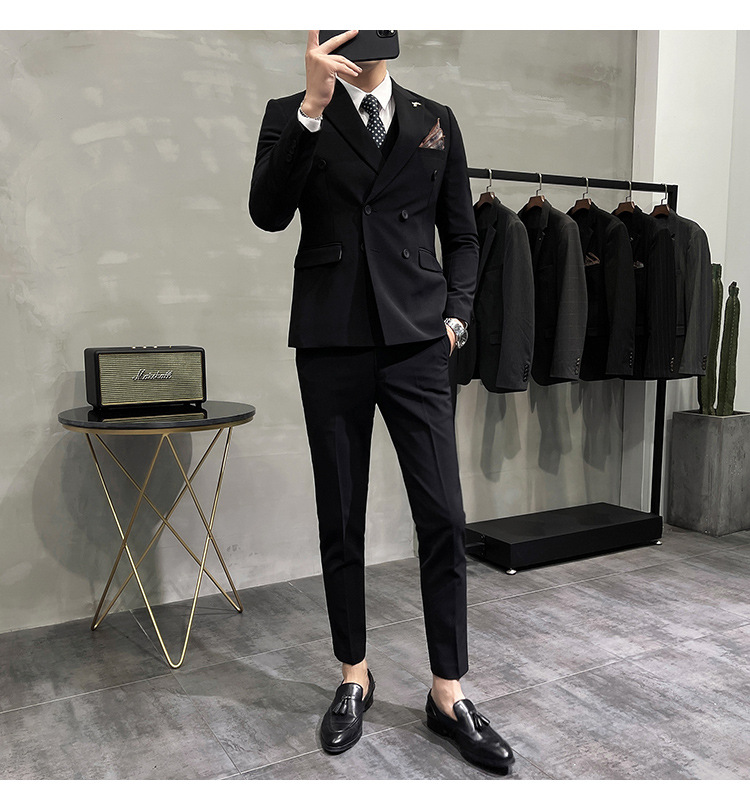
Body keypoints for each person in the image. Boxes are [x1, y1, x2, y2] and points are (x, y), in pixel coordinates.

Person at [249, 29, 514, 773]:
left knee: (444, 516)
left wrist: (456, 314)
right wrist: (311, 108)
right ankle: (353, 675)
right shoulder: (292, 111)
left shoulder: (436, 118)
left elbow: (463, 234)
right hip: (331, 339)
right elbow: (268, 212)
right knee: (341, 514)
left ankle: (448, 692)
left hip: (417, 342)